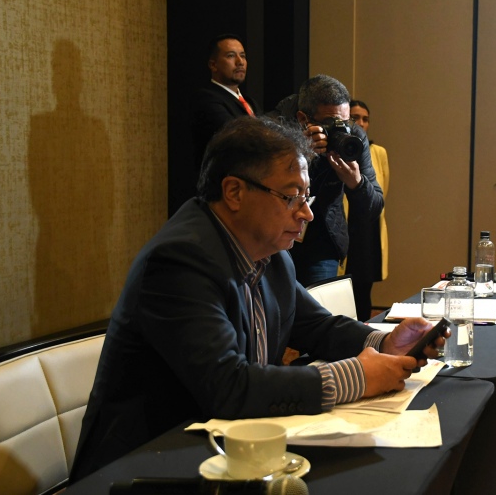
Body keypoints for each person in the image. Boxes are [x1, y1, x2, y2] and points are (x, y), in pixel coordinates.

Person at [69, 117, 442, 481]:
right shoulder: (180, 260)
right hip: (144, 469)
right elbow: (228, 385)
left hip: (228, 451)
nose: (307, 213)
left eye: (306, 196)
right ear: (234, 192)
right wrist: (356, 376)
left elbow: (315, 326)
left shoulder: (271, 253)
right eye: (291, 197)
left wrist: (383, 342)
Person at [268, 75, 384, 286]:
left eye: (345, 122)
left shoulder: (353, 136)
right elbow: (263, 188)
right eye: (331, 123)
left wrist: (357, 183)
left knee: (320, 305)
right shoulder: (273, 129)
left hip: (323, 241)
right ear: (303, 119)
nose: (341, 129)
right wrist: (300, 151)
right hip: (275, 238)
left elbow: (374, 207)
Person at [342, 99, 390, 319]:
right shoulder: (336, 150)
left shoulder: (378, 152)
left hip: (368, 229)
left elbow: (382, 190)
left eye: (365, 119)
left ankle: (364, 333)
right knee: (340, 291)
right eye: (355, 118)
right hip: (343, 227)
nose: (360, 123)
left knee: (363, 291)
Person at [190, 33, 257, 171]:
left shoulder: (250, 101)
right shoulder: (206, 99)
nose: (240, 62)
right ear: (213, 65)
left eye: (243, 56)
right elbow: (238, 137)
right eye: (231, 56)